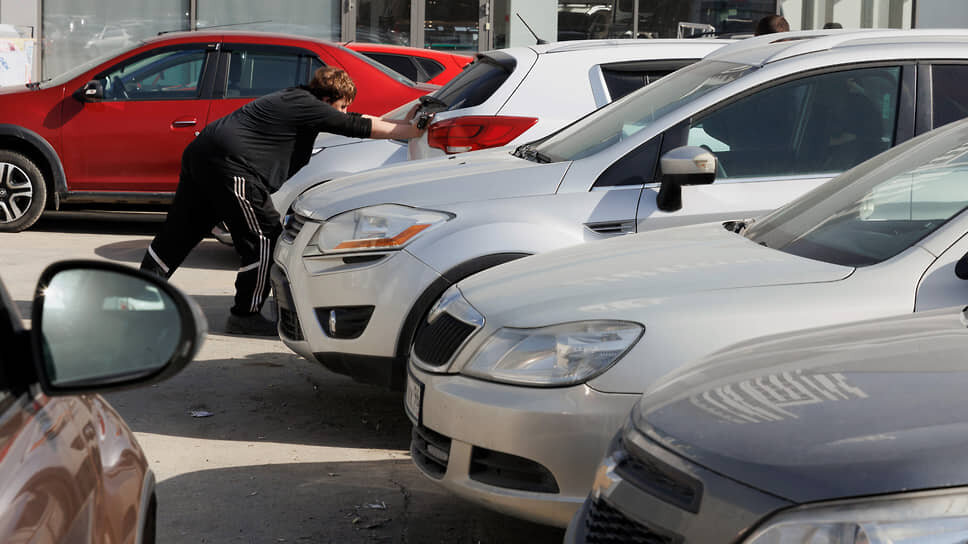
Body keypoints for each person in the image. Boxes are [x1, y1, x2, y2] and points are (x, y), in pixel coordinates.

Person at [140, 67, 424, 336]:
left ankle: (137, 299)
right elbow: (354, 125)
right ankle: (245, 316)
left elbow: (359, 117)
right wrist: (410, 132)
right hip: (233, 165)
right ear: (326, 99)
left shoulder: (297, 99)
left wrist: (403, 123)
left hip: (204, 155)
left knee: (180, 232)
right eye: (340, 106)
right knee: (264, 237)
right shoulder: (309, 106)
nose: (342, 113)